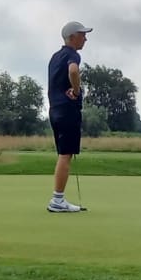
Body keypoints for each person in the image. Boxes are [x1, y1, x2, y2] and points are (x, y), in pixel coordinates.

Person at [46, 21, 93, 213]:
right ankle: (57, 200)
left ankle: (58, 199)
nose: (85, 39)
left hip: (55, 109)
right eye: (82, 35)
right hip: (67, 110)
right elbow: (73, 70)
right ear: (72, 37)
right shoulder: (72, 54)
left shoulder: (55, 57)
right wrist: (76, 90)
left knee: (63, 154)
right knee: (66, 154)